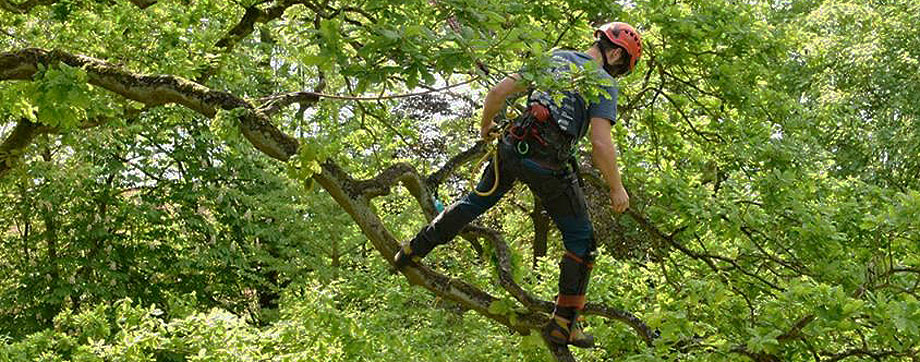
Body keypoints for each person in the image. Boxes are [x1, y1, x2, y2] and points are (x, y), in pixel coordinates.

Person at [394, 22, 642, 348]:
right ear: (614, 53)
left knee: (474, 201)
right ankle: (564, 325)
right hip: (548, 165)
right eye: (622, 64)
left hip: (512, 148)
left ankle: (412, 250)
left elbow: (497, 93)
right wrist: (616, 188)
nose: (618, 71)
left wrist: (486, 127)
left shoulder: (553, 57)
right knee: (582, 240)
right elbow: (600, 144)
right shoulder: (603, 83)